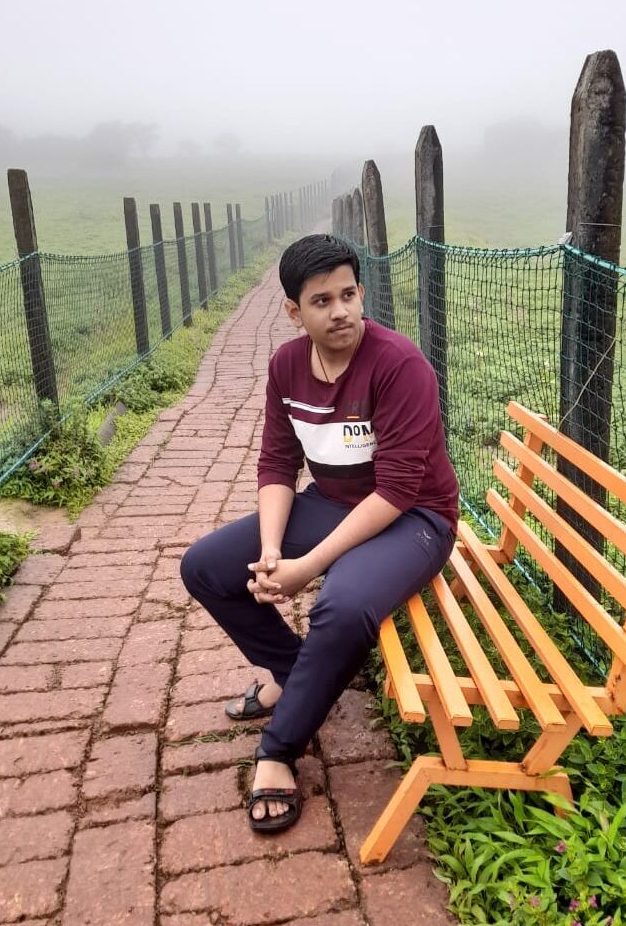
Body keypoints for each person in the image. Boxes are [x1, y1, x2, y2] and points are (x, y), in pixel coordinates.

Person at [180, 233, 459, 833]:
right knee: (205, 566)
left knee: (342, 603)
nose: (341, 312)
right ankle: (294, 673)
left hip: (414, 518)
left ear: (362, 294)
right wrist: (274, 550)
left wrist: (308, 569)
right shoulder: (286, 367)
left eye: (349, 294)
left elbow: (398, 490)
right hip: (332, 501)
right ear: (293, 311)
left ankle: (280, 751)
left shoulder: (399, 365)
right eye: (322, 300)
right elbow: (277, 464)